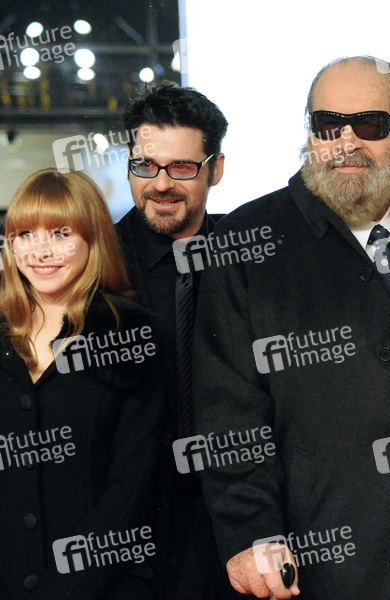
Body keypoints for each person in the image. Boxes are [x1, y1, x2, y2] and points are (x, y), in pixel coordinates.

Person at [191, 55, 390, 600]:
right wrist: (251, 532)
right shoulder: (245, 241)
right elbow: (229, 412)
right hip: (312, 562)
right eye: (328, 126)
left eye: (369, 125)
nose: (346, 142)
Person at [0, 169, 165, 598]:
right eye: (25, 234)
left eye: (60, 233)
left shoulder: (131, 336)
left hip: (101, 587)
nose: (41, 251)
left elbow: (133, 489)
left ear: (93, 240)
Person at [114, 81, 239, 600]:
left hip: (229, 523)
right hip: (121, 532)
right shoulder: (94, 262)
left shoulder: (249, 255)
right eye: (146, 166)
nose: (161, 184)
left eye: (182, 168)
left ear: (216, 168)